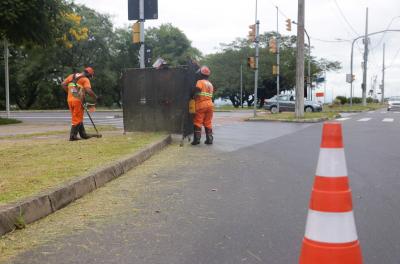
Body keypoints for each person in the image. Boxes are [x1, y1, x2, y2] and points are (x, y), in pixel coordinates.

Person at [62, 67, 97, 141]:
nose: (89, 78)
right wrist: (96, 97)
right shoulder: (85, 79)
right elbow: (88, 90)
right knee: (77, 118)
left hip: (69, 100)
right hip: (78, 101)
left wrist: (70, 93)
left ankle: (83, 134)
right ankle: (73, 136)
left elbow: (63, 84)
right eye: (90, 76)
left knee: (76, 117)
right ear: (88, 74)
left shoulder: (72, 76)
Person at [191, 66, 214, 145]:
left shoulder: (200, 82)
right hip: (210, 105)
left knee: (198, 122)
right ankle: (209, 139)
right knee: (208, 122)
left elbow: (197, 92)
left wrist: (192, 98)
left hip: (201, 104)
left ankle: (196, 140)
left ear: (201, 74)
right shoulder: (210, 84)